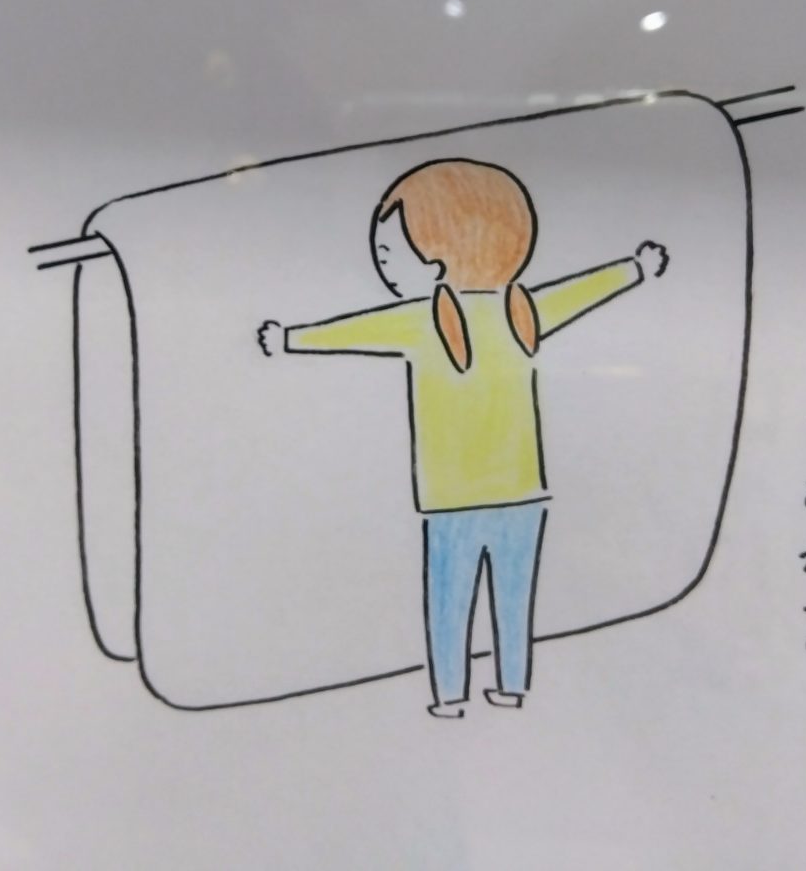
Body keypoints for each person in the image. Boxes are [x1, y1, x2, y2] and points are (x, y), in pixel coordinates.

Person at [258, 158, 668, 718]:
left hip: (453, 498)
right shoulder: (517, 313)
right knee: (511, 598)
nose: (382, 264)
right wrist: (635, 269)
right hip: (520, 493)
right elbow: (578, 292)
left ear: (437, 255)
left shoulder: (437, 318)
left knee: (450, 602)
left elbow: (351, 331)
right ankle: (510, 686)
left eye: (389, 251)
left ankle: (452, 696)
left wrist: (289, 338)